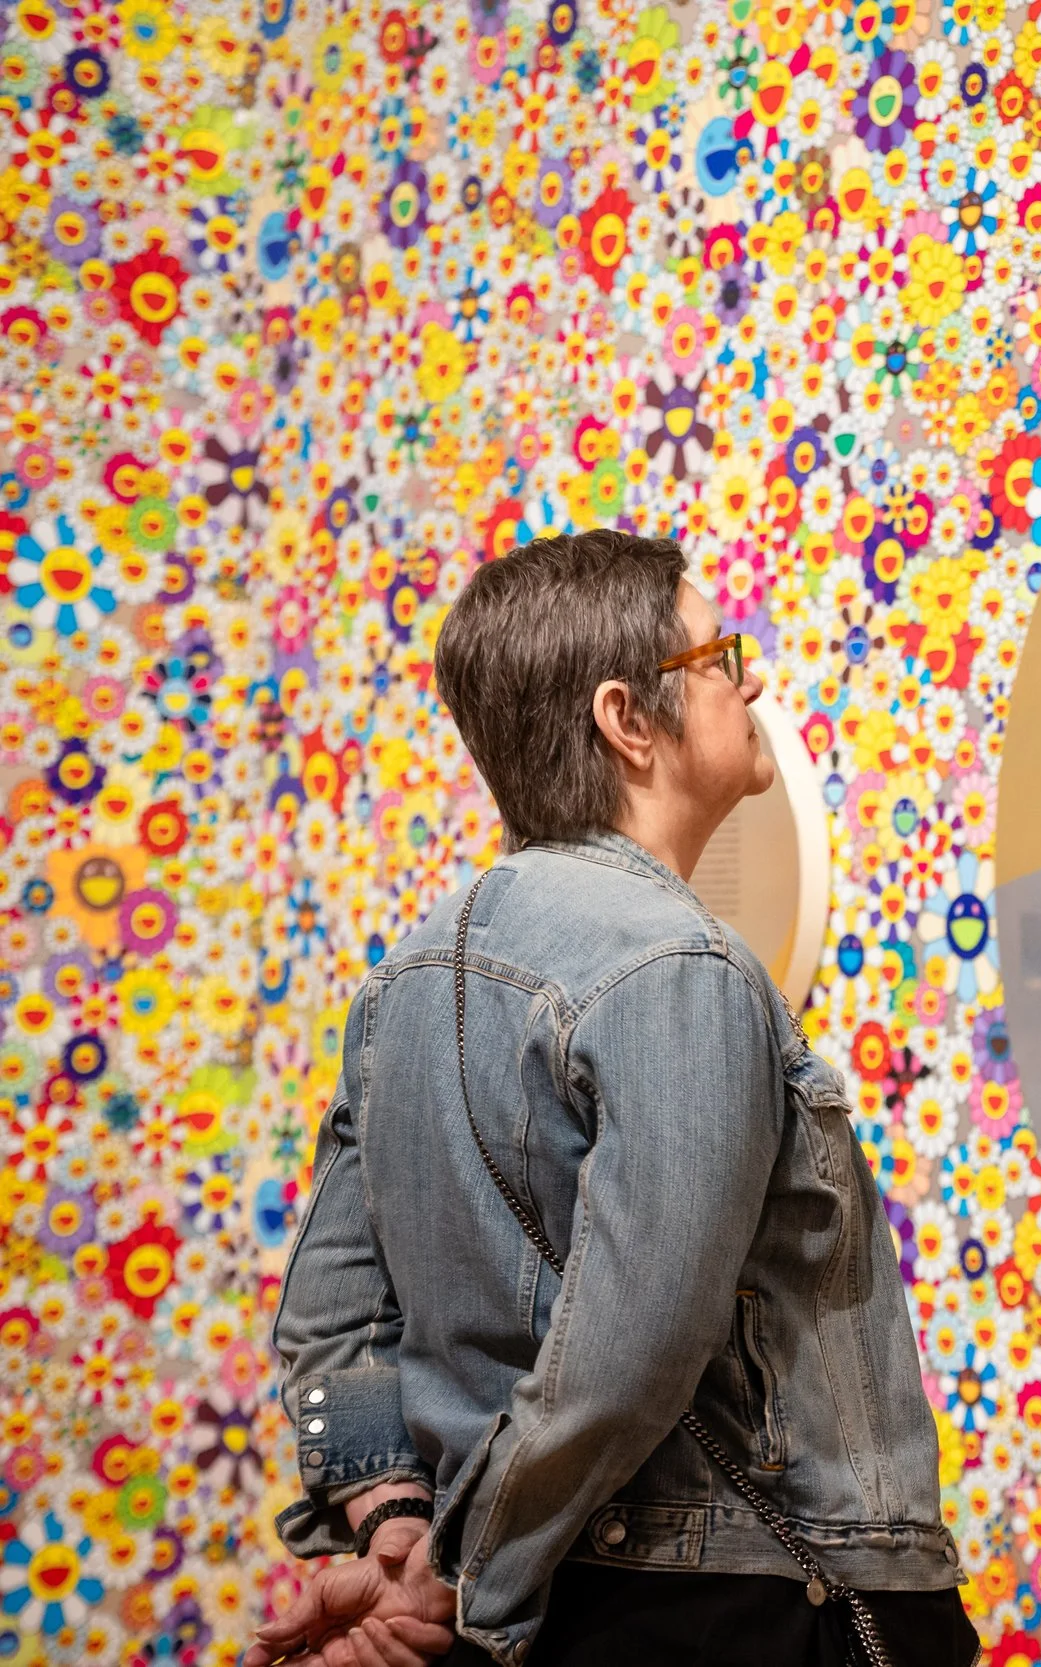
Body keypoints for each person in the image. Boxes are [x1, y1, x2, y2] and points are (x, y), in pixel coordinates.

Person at [244, 531, 972, 1667]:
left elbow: (329, 1323)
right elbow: (635, 1346)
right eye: (721, 655)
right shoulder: (686, 968)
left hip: (531, 1615)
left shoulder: (398, 986)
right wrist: (463, 1561)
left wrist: (394, 1521)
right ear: (629, 720)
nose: (756, 678)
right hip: (744, 1613)